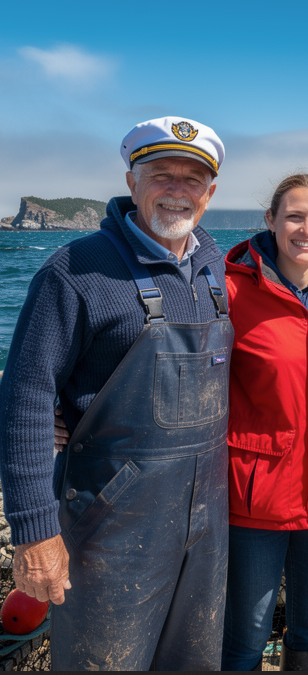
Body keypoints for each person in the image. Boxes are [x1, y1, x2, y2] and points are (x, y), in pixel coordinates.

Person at [0, 117, 230, 670]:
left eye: (192, 178)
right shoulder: (74, 271)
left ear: (210, 194)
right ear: (131, 181)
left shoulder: (215, 267)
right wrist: (35, 533)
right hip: (109, 524)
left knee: (193, 660)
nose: (178, 189)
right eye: (161, 174)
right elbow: (25, 401)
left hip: (206, 523)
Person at [221, 174, 308, 671]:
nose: (307, 229)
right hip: (254, 496)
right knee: (246, 634)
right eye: (295, 216)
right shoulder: (230, 291)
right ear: (271, 221)